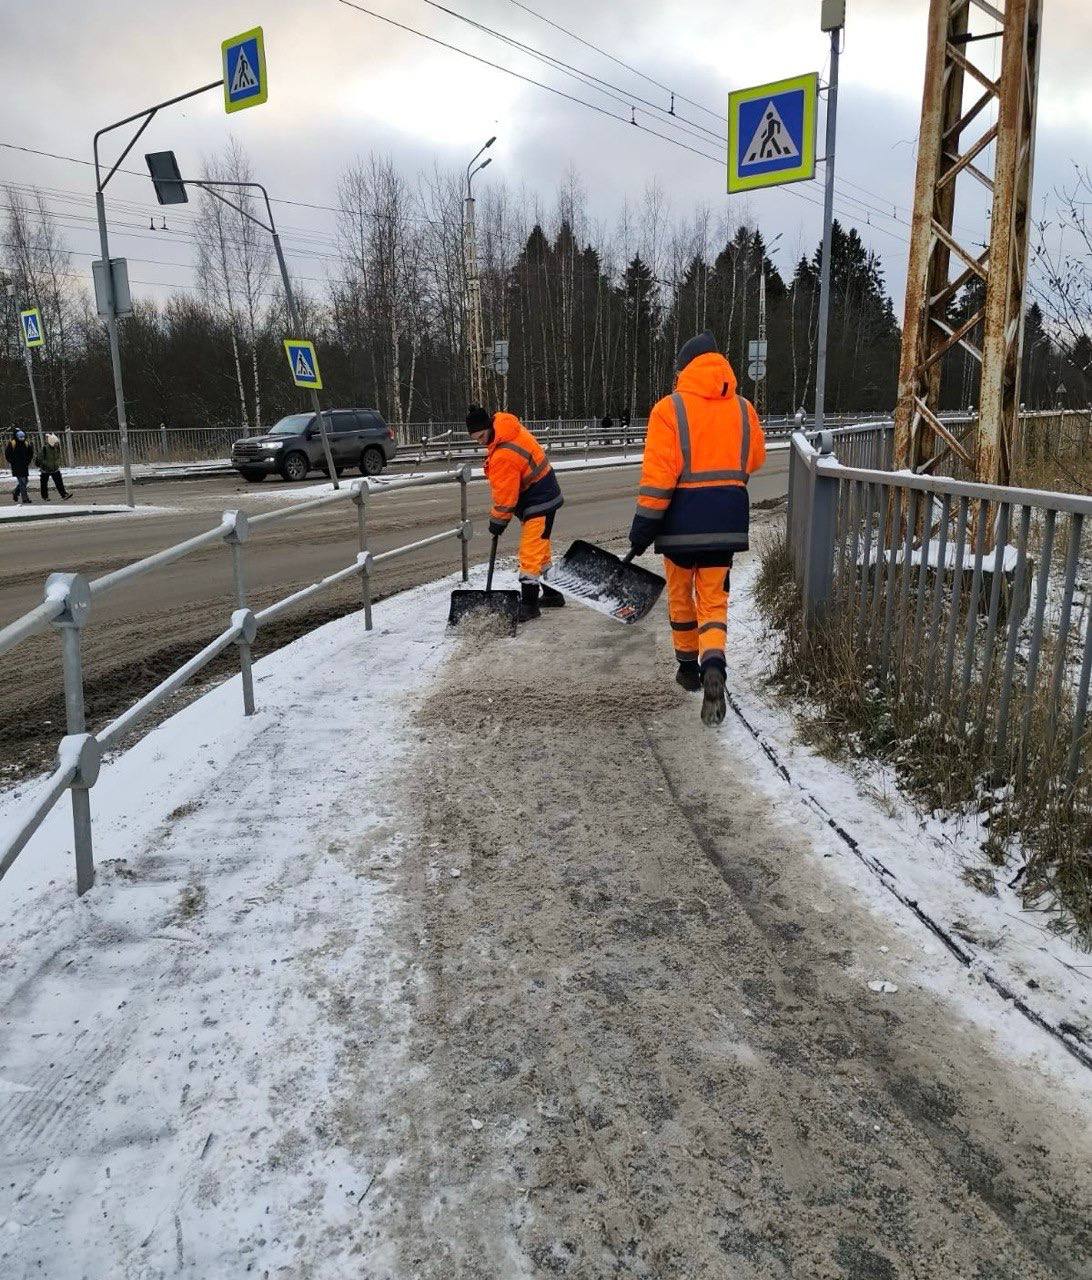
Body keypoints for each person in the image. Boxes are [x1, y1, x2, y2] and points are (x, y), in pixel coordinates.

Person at [628, 330, 766, 725]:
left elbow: (659, 478)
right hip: (725, 524)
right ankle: (714, 664)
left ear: (684, 369)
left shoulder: (668, 410)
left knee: (681, 596)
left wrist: (642, 528)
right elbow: (754, 459)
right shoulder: (744, 408)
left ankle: (688, 668)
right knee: (713, 601)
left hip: (678, 526)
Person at [465, 404, 565, 621]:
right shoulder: (507, 429)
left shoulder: (504, 453)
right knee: (540, 549)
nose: (480, 441)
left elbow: (505, 496)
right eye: (476, 439)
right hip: (543, 492)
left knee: (530, 552)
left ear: (489, 427)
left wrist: (497, 521)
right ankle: (552, 593)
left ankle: (529, 605)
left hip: (539, 499)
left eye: (481, 436)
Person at [37, 433, 71, 501]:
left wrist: (57, 463)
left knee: (59, 482)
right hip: (45, 469)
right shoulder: (45, 449)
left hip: (55, 468)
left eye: (57, 443)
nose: (57, 444)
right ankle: (45, 496)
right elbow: (40, 459)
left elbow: (57, 457)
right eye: (56, 443)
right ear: (52, 442)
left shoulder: (56, 449)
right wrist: (46, 464)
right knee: (44, 484)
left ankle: (63, 494)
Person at [5, 429, 34, 505]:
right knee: (22, 482)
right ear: (17, 436)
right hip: (16, 466)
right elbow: (7, 454)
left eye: (23, 437)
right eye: (20, 437)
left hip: (24, 465)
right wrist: (12, 461)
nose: (22, 438)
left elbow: (30, 453)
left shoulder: (26, 443)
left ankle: (16, 492)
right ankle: (25, 499)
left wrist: (28, 461)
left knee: (25, 481)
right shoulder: (12, 443)